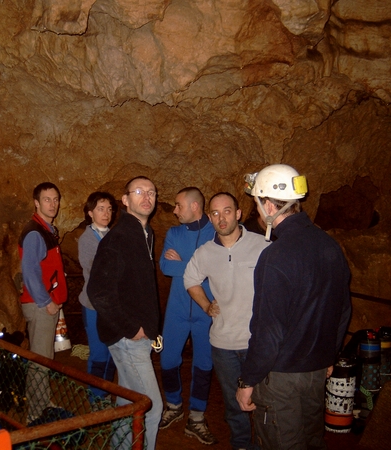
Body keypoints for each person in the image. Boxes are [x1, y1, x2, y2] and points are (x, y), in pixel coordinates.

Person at [236, 164, 352, 449]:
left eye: (257, 203)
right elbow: (342, 311)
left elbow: (268, 331)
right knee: (311, 441)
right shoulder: (330, 246)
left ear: (268, 205)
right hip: (316, 373)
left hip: (281, 379)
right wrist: (328, 356)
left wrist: (247, 381)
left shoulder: (275, 256)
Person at [184, 192, 270, 450]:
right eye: (215, 213)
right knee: (234, 403)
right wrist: (206, 305)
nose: (221, 218)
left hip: (259, 343)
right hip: (223, 344)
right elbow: (190, 279)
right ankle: (241, 445)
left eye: (227, 211)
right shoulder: (205, 252)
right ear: (210, 217)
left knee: (264, 401)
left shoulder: (262, 245)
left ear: (238, 214)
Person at [87, 176, 163, 449]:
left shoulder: (145, 234)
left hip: (134, 335)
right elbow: (98, 291)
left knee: (127, 402)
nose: (147, 196)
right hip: (127, 338)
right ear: (126, 200)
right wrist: (132, 329)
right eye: (139, 191)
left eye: (151, 192)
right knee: (150, 407)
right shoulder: (119, 238)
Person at [158, 187, 217, 445]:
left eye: (178, 205)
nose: (174, 210)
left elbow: (218, 268)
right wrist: (200, 267)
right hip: (177, 310)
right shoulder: (174, 233)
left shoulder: (216, 232)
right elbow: (165, 266)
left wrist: (183, 263)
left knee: (204, 364)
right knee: (168, 359)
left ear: (194, 206)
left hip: (207, 310)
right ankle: (173, 405)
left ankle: (196, 417)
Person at [18, 182, 68, 420]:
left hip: (45, 304)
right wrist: (46, 301)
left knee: (44, 356)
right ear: (36, 203)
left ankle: (42, 401)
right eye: (47, 199)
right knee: (40, 360)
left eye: (55, 199)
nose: (53, 204)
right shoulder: (35, 233)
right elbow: (29, 272)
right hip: (40, 306)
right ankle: (36, 415)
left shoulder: (47, 230)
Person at [78, 191, 118, 403]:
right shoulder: (87, 239)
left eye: (109, 209)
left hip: (112, 306)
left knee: (112, 352)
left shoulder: (113, 236)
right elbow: (98, 271)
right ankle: (95, 398)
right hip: (93, 305)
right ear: (90, 213)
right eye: (101, 209)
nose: (106, 213)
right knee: (99, 353)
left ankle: (105, 392)